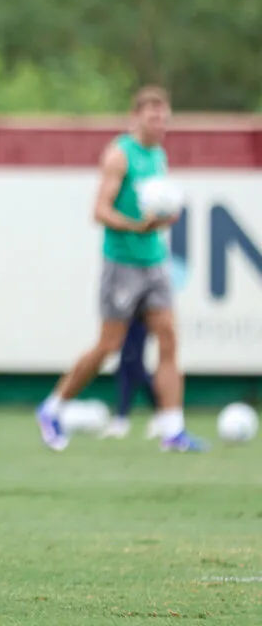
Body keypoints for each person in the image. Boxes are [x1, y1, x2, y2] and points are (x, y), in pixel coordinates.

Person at [37, 86, 204, 452]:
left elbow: (153, 209)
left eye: (164, 118)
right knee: (109, 345)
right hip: (123, 264)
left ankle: (173, 430)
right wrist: (135, 226)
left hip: (154, 261)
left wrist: (165, 218)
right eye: (153, 117)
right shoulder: (119, 154)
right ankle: (52, 408)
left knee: (169, 338)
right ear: (136, 117)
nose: (160, 124)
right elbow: (100, 210)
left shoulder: (158, 154)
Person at [99, 315, 161, 439]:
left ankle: (162, 413)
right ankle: (122, 418)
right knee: (127, 369)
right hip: (127, 321)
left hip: (137, 320)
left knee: (135, 370)